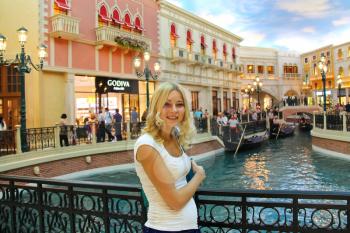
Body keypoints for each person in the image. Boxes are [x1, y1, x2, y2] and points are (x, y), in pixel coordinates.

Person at [134, 82, 205, 233]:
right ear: (156, 108)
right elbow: (176, 202)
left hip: (188, 228)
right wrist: (199, 176)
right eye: (166, 104)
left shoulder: (175, 135)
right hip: (164, 229)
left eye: (179, 104)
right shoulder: (147, 145)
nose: (174, 110)